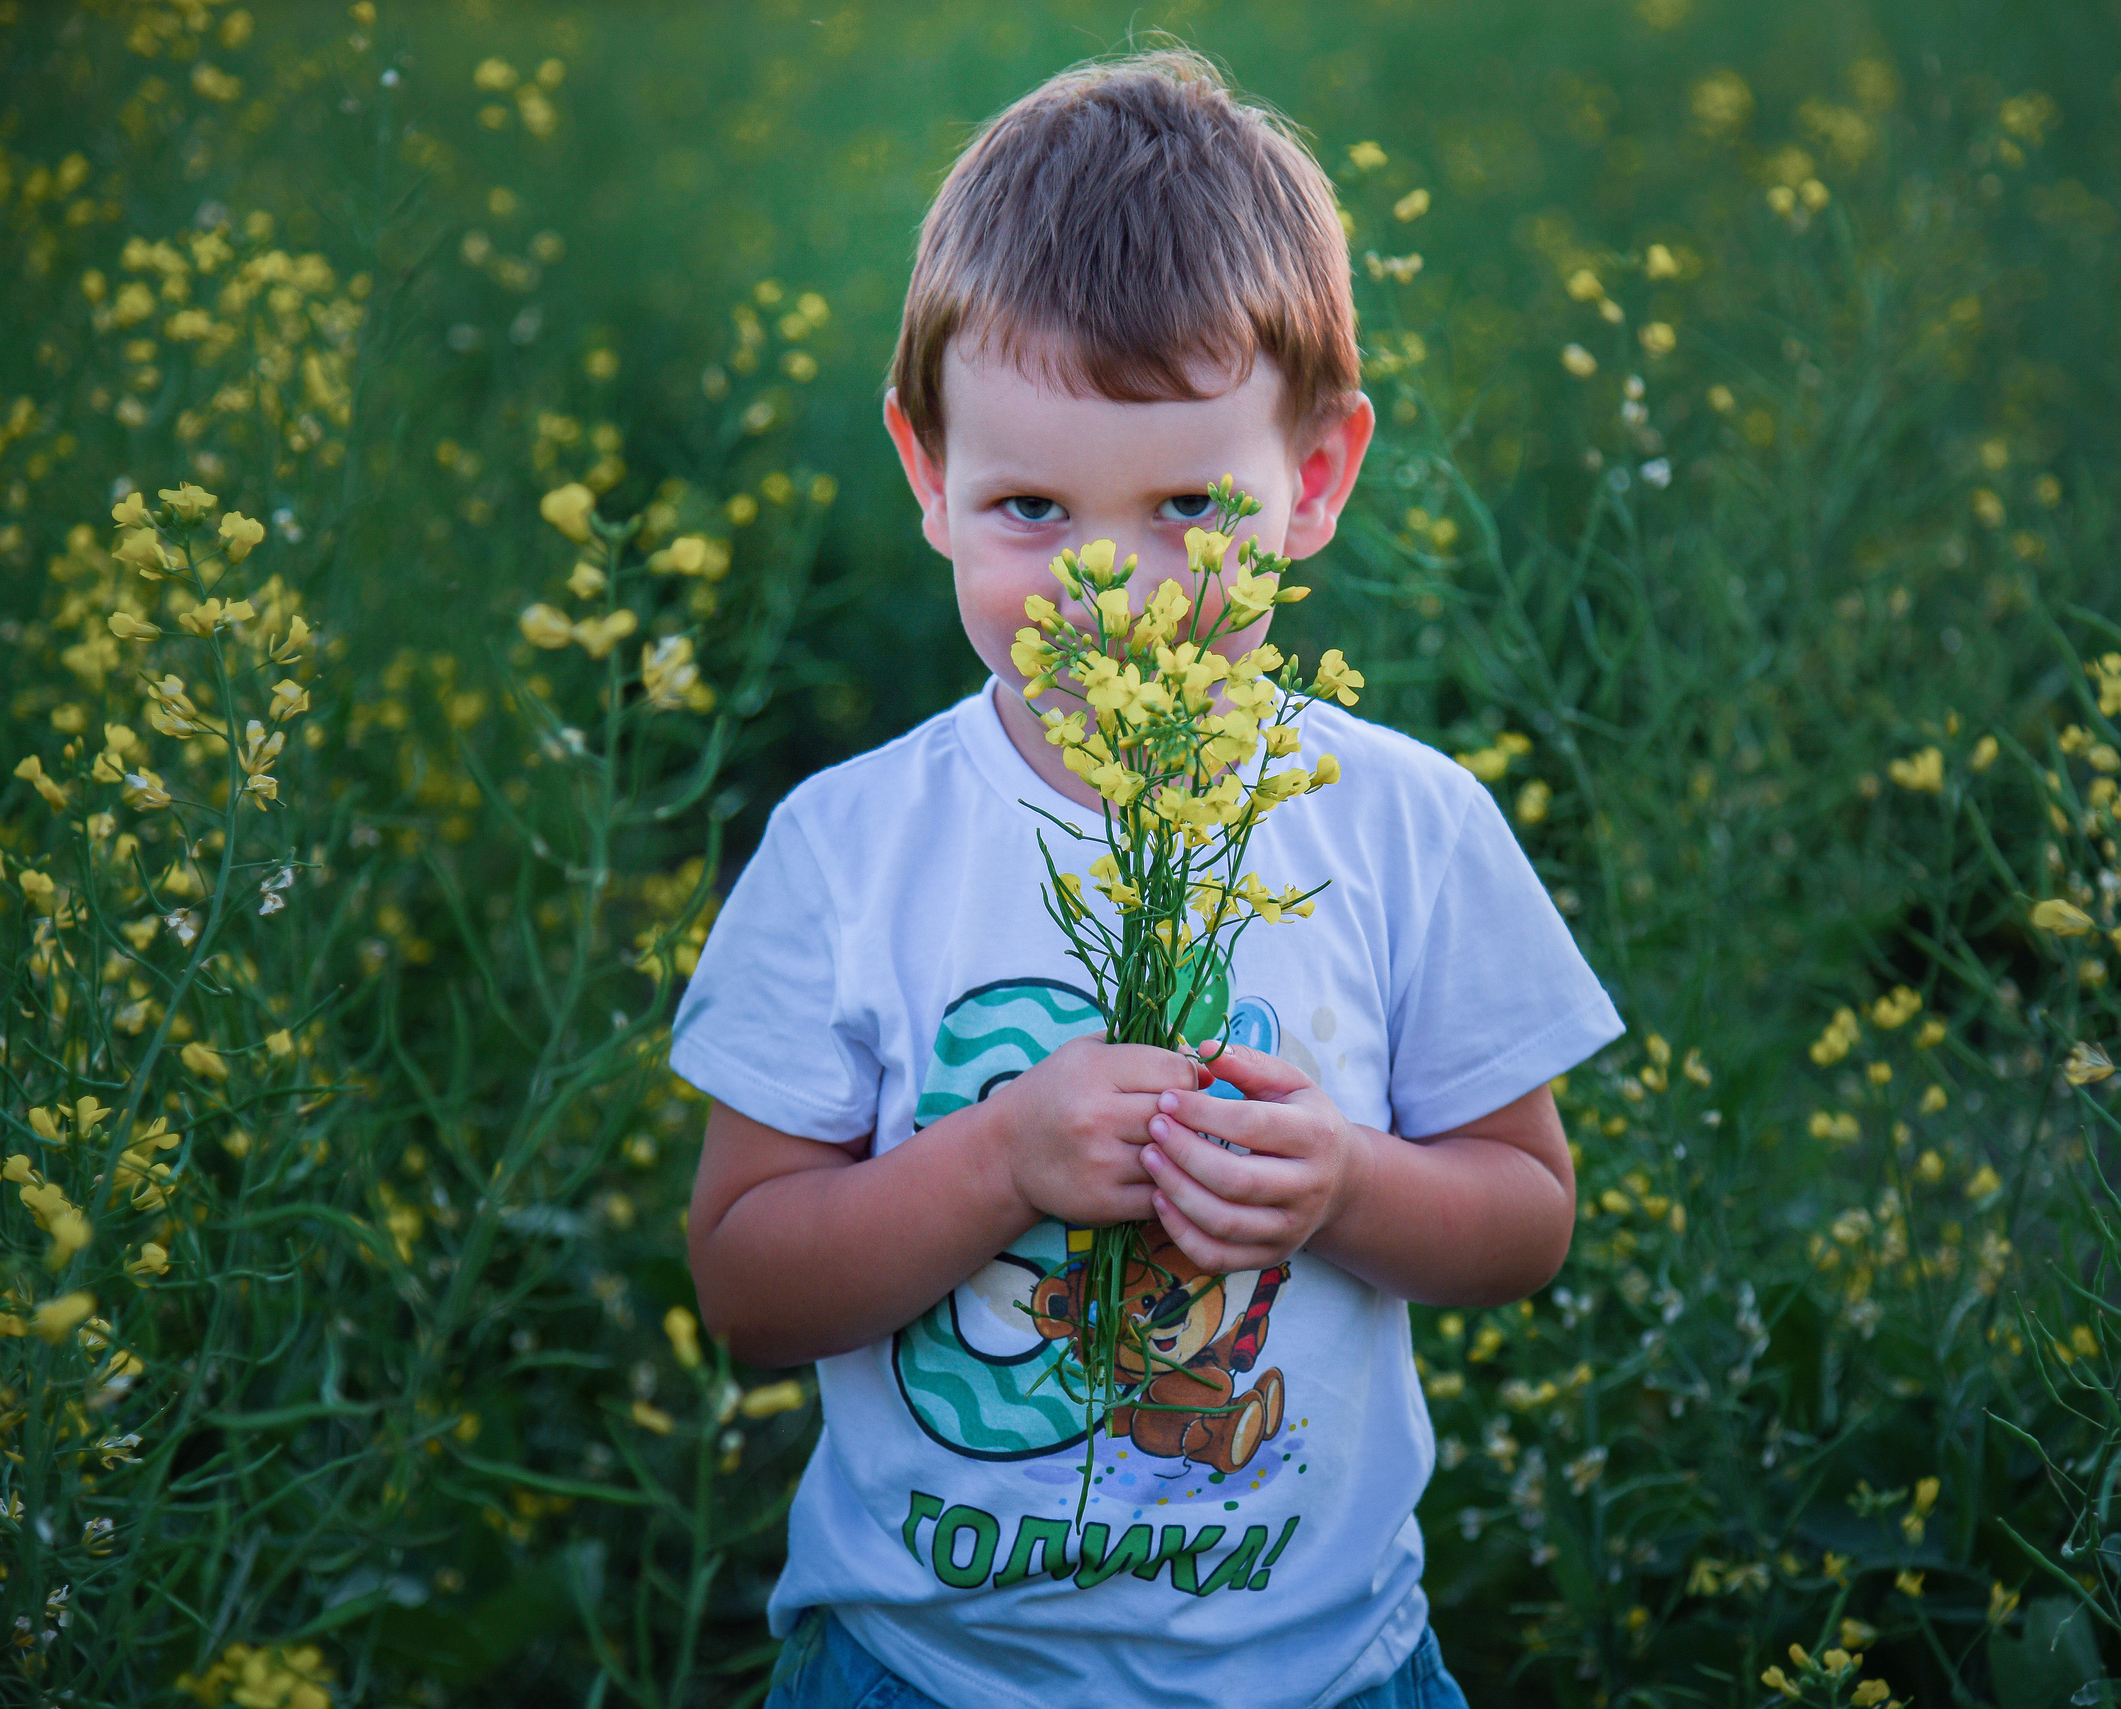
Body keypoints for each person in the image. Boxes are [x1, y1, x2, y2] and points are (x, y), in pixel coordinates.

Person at [675, 45, 1624, 1709]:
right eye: (1031, 508)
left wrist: (1345, 1184)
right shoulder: (847, 848)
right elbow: (746, 1287)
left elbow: (1527, 1218)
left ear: (1314, 480)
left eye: (1190, 503)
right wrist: (1003, 1159)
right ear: (928, 475)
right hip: (924, 1672)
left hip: (1323, 1672)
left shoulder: (1405, 823)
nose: (1109, 585)